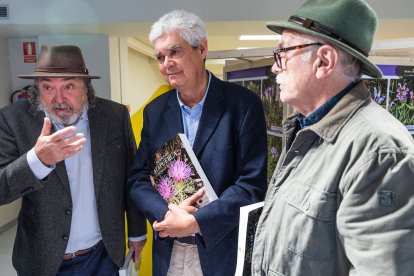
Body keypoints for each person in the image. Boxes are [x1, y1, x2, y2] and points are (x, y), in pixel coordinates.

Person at [252, 0, 414, 275]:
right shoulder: (306, 130)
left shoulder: (380, 153)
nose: (275, 68)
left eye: (283, 53)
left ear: (323, 61)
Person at [128, 9, 268, 276]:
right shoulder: (155, 111)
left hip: (219, 247)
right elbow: (138, 177)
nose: (166, 62)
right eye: (160, 57)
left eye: (175, 52)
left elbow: (251, 185)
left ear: (201, 49)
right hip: (169, 247)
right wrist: (167, 214)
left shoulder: (242, 105)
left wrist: (195, 221)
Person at [0, 45, 147, 276]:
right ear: (38, 89)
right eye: (48, 87)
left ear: (85, 87)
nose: (58, 98)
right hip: (44, 261)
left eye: (68, 86)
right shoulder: (13, 120)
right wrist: (37, 161)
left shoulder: (115, 116)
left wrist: (137, 232)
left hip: (103, 254)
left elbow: (131, 176)